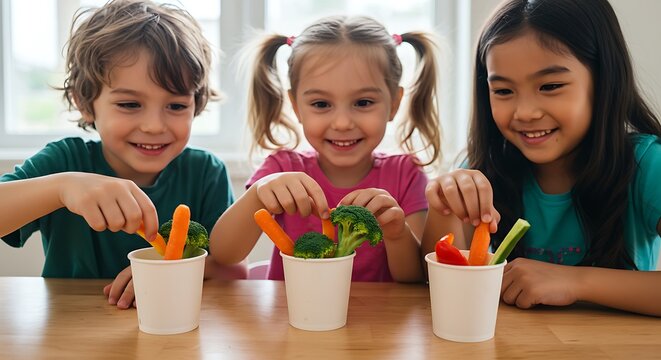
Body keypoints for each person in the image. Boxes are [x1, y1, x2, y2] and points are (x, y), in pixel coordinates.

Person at [0, 0, 247, 309]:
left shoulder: (206, 172)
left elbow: (234, 271)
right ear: (85, 103)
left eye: (176, 106)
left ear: (196, 105)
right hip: (72, 331)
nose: (154, 126)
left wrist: (165, 270)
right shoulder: (64, 162)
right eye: (130, 104)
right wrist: (61, 188)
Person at [423, 0, 661, 316]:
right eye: (504, 91)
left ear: (604, 81)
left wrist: (576, 282)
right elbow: (436, 282)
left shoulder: (649, 166)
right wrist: (444, 202)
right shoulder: (482, 171)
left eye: (550, 86)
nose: (526, 113)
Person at [210, 15, 442, 282]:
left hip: (376, 322)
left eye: (363, 102)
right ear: (296, 106)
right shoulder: (281, 169)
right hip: (289, 319)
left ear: (394, 103)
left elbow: (414, 278)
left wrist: (396, 232)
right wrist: (258, 195)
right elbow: (225, 254)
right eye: (321, 104)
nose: (342, 123)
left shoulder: (406, 173)